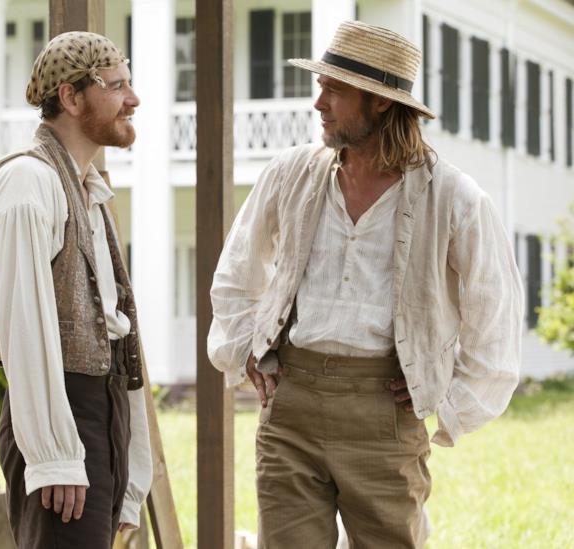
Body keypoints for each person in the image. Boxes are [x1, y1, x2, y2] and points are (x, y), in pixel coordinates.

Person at [208, 20, 523, 548]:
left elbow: (495, 313)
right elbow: (237, 270)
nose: (319, 103)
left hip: (385, 414)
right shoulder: (291, 172)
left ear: (379, 102)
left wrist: (448, 401)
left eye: (334, 90)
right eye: (321, 87)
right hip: (291, 407)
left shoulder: (454, 196)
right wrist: (245, 350)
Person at [0, 31, 152, 548]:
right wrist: (54, 455)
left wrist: (131, 469)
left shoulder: (87, 188)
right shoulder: (26, 183)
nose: (133, 99)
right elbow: (25, 329)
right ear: (71, 97)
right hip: (64, 415)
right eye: (116, 86)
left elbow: (116, 332)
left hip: (100, 412)